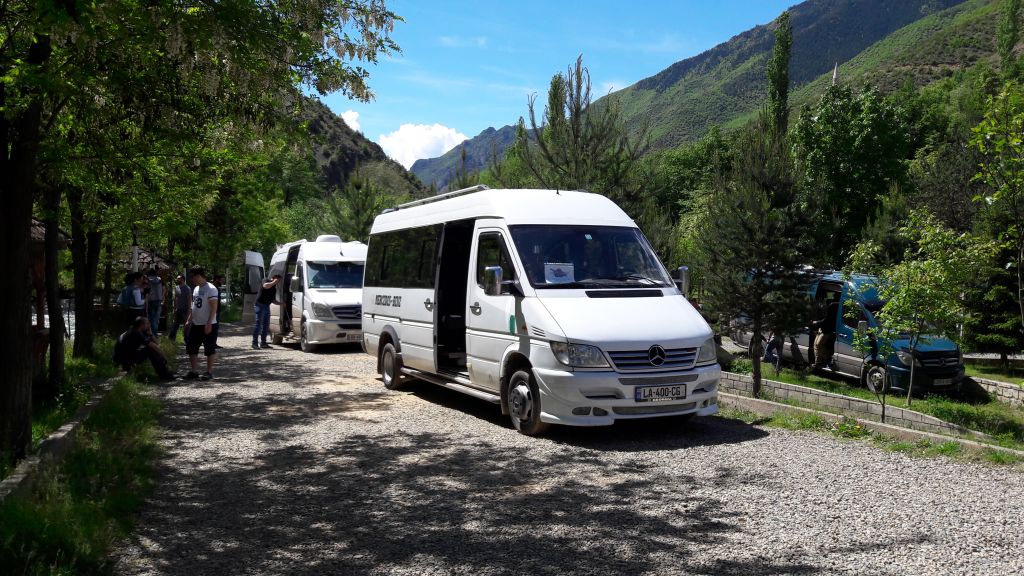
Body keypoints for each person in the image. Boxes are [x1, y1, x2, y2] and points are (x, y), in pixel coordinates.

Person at [184, 266, 220, 381]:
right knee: (191, 347)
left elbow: (214, 307)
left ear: (198, 276)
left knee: (209, 348)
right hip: (196, 323)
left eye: (192, 277)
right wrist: (189, 319)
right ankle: (194, 371)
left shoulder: (211, 289)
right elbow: (194, 305)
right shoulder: (195, 289)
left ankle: (209, 372)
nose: (191, 279)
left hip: (208, 324)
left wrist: (209, 323)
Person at [811, 297, 840, 370]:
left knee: (818, 344)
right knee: (815, 345)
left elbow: (826, 321)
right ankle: (818, 362)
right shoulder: (824, 309)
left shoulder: (832, 307)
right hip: (822, 329)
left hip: (827, 331)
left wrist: (816, 323)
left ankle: (828, 359)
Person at [252, 274, 281, 349]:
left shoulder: (274, 289)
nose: (278, 282)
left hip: (266, 306)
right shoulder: (265, 280)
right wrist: (273, 282)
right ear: (274, 278)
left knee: (266, 325)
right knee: (258, 325)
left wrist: (281, 304)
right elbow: (265, 286)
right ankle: (254, 343)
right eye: (278, 280)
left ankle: (263, 343)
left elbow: (273, 300)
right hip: (259, 305)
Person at [168, 274, 191, 342]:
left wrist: (189, 311)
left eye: (179, 278)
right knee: (175, 325)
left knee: (186, 325)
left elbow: (189, 300)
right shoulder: (177, 287)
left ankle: (187, 340)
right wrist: (174, 308)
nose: (177, 279)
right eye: (177, 278)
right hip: (178, 309)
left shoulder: (187, 288)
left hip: (185, 309)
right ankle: (171, 339)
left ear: (183, 279)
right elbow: (175, 299)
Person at [146, 267, 164, 335]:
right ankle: (155, 332)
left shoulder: (148, 280)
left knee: (151, 318)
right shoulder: (159, 279)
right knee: (156, 318)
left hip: (151, 300)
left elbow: (147, 289)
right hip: (159, 300)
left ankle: (153, 333)